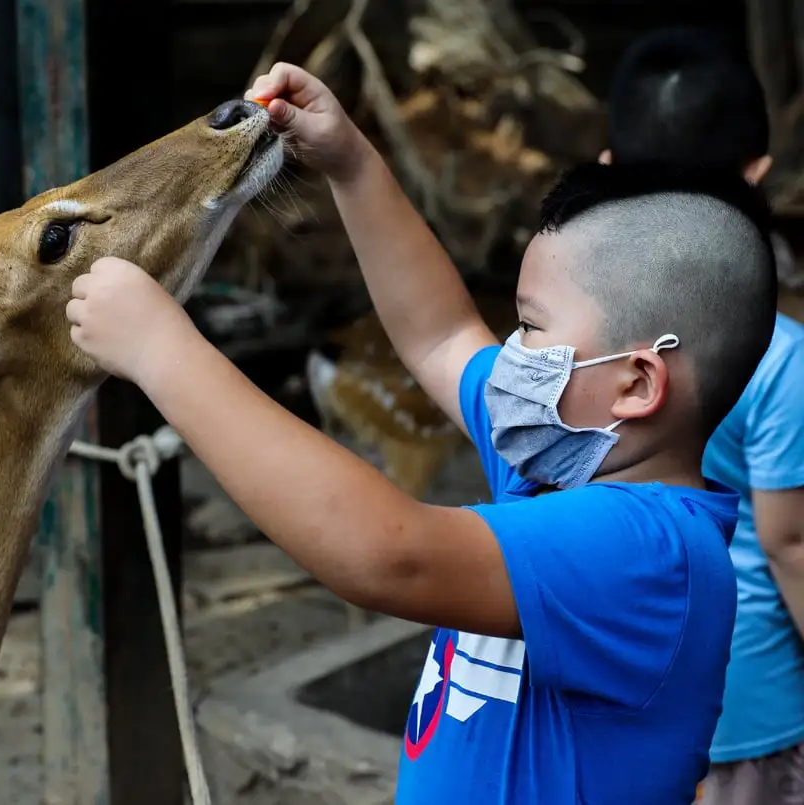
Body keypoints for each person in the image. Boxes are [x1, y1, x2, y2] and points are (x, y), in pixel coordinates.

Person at [64, 64, 779, 803]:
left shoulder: (651, 554)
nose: (509, 351)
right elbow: (440, 335)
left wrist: (163, 352)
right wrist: (351, 163)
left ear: (635, 383)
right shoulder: (551, 466)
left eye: (531, 327)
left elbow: (386, 552)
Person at [604, 27, 804, 805]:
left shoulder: (576, 344)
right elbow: (788, 546)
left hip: (621, 685)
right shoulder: (779, 354)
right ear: (759, 172)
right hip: (749, 703)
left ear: (609, 171)